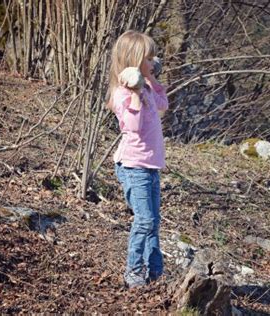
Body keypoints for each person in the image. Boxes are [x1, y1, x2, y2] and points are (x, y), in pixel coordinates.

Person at [107, 30, 168, 288]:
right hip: (134, 168)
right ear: (134, 60)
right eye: (149, 58)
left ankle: (155, 272)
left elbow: (163, 105)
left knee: (154, 221)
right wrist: (134, 93)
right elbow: (132, 125)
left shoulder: (147, 88)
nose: (153, 61)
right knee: (144, 220)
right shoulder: (122, 95)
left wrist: (151, 80)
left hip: (150, 166)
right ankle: (133, 271)